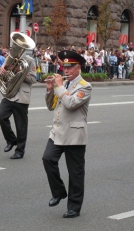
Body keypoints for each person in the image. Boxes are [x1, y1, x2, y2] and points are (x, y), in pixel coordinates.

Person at [42, 50, 92, 218]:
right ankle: (59, 192)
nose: (66, 71)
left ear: (78, 67)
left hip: (74, 135)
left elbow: (70, 104)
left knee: (75, 172)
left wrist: (60, 87)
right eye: (65, 68)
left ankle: (74, 207)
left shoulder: (85, 86)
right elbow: (51, 106)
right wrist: (50, 90)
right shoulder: (62, 85)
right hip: (57, 132)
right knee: (47, 158)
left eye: (70, 68)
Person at [0, 52, 37, 159]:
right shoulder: (9, 59)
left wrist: (22, 72)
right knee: (1, 116)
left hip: (22, 96)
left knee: (21, 126)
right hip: (9, 94)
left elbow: (33, 79)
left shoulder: (29, 61)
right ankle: (11, 140)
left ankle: (20, 150)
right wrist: (1, 71)